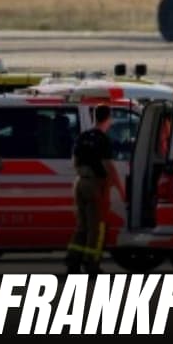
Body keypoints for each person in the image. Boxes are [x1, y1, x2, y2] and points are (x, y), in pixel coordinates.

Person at [67, 105, 113, 275]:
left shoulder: (83, 136)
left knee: (81, 226)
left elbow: (74, 161)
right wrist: (114, 187)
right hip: (94, 184)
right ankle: (92, 263)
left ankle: (73, 261)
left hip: (79, 182)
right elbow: (107, 166)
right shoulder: (103, 139)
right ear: (108, 118)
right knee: (96, 226)